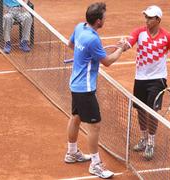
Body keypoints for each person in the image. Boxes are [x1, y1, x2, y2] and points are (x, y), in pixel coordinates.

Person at [64, 2, 125, 179]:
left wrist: (84, 58)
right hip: (85, 88)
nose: (105, 19)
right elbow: (108, 61)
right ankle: (96, 165)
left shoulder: (79, 27)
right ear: (98, 21)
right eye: (104, 17)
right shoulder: (93, 39)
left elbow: (70, 44)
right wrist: (121, 48)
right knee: (94, 125)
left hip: (75, 83)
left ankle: (72, 153)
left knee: (75, 117)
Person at [123, 5, 170, 160]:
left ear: (158, 20)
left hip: (157, 79)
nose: (147, 20)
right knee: (141, 110)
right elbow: (129, 42)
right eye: (146, 17)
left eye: (150, 17)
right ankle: (143, 138)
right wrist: (123, 45)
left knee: (152, 112)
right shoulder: (139, 32)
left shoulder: (167, 37)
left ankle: (151, 142)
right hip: (140, 78)